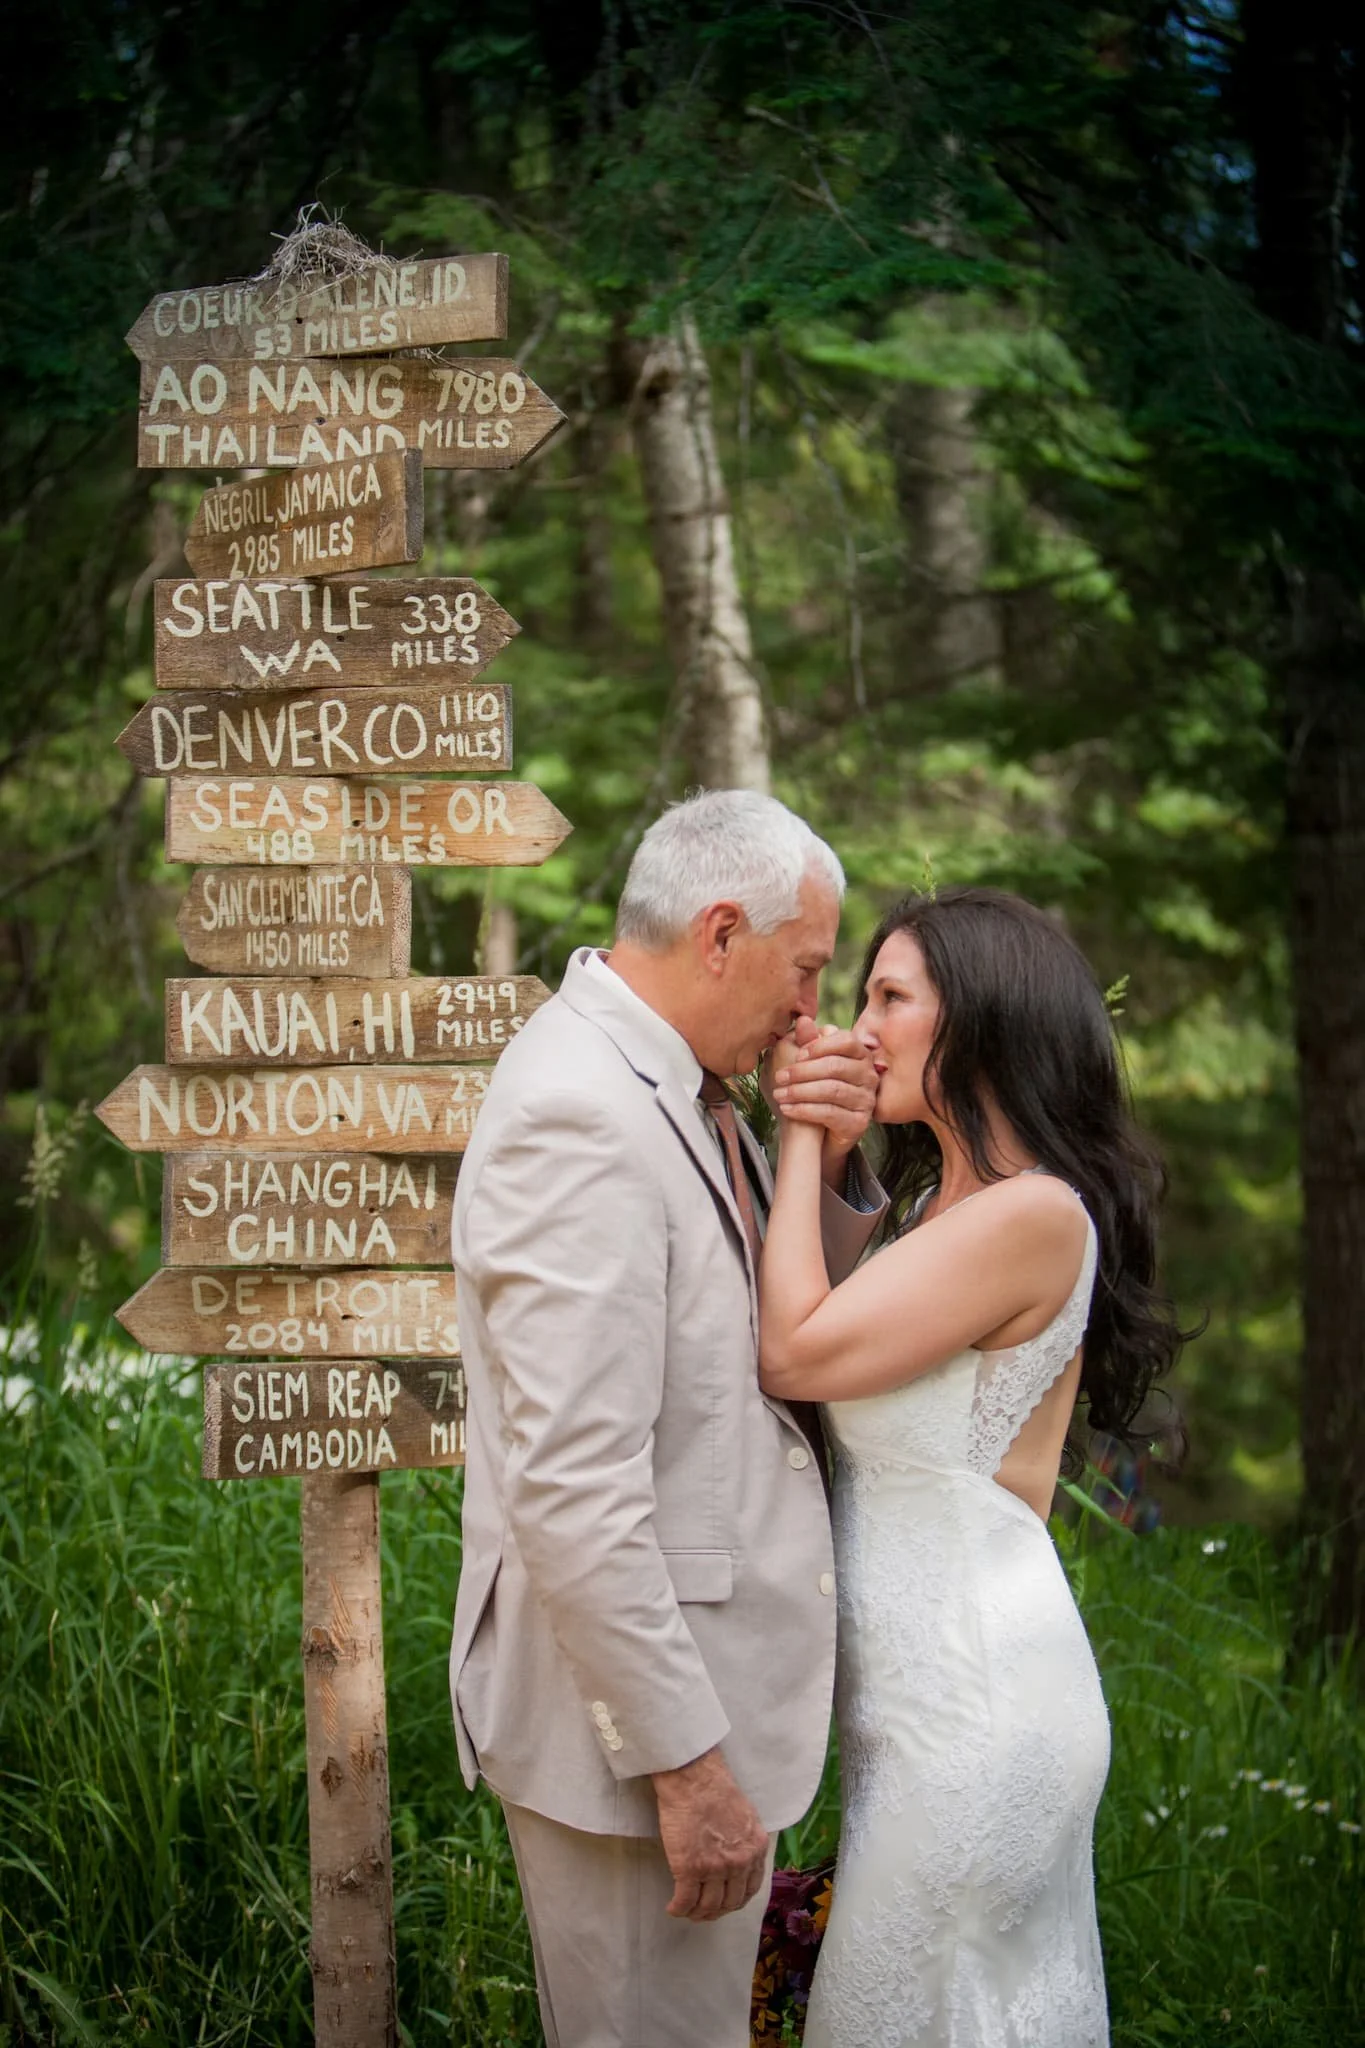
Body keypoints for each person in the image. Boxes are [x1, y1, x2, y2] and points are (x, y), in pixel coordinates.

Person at [448, 790, 886, 2048]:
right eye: (805, 969)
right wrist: (684, 1763)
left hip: (691, 1703)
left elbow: (777, 1329)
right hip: (634, 1744)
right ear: (719, 932)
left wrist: (829, 1153)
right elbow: (573, 1484)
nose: (813, 1009)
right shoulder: (581, 1110)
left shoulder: (677, 1080)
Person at [760, 886, 1188, 2048]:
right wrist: (840, 1156)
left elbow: (795, 1344)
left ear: (982, 1021)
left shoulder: (1032, 1213)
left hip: (975, 1714)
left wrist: (799, 1130)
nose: (856, 1026)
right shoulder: (934, 1213)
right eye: (859, 996)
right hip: (923, 1710)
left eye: (891, 996)